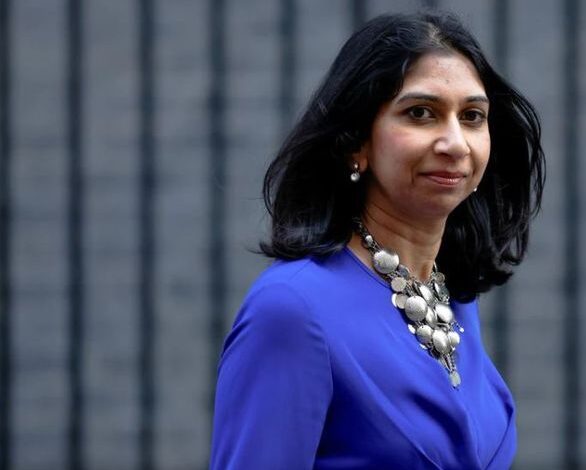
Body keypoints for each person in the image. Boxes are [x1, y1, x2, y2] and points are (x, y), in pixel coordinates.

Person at [210, 10, 544, 470]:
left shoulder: (449, 299)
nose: (455, 143)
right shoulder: (292, 311)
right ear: (357, 142)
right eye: (420, 113)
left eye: (472, 116)